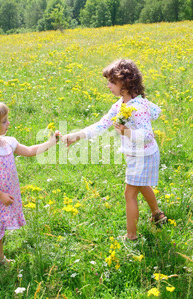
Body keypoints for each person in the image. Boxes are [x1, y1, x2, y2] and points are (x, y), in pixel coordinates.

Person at [62, 59, 167, 241]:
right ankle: (158, 215)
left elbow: (148, 135)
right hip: (137, 154)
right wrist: (76, 136)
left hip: (142, 155)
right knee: (141, 185)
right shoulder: (120, 105)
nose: (108, 85)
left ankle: (131, 236)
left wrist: (127, 132)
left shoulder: (138, 107)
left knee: (129, 194)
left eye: (111, 81)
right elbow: (102, 124)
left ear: (125, 83)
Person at [0, 99, 59, 277]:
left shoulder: (8, 143)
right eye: (3, 121)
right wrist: (0, 194)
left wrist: (51, 143)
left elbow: (30, 150)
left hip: (5, 196)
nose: (8, 123)